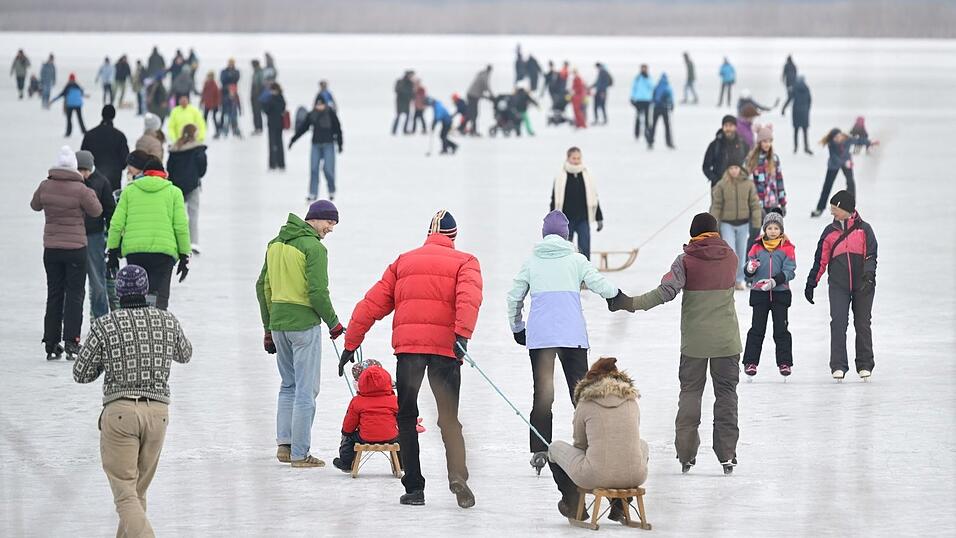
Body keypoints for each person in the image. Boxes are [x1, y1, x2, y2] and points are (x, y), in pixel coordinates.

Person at [339, 210, 483, 508]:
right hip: (445, 350)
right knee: (448, 419)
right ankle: (458, 477)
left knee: (405, 417)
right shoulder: (466, 261)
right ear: (453, 236)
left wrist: (352, 341)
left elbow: (372, 302)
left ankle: (414, 488)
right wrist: (462, 335)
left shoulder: (404, 262)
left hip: (409, 352)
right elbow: (469, 298)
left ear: (428, 234)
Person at [609, 212, 742, 475]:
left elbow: (665, 292)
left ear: (693, 234)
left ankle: (686, 454)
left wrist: (630, 303)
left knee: (690, 395)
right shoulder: (731, 257)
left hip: (694, 343)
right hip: (727, 342)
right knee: (726, 396)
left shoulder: (685, 260)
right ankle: (727, 454)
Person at [73, 264, 192, 538]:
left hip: (120, 412)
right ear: (145, 289)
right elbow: (185, 354)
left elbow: (81, 373)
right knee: (136, 493)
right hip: (158, 413)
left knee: (126, 494)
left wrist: (108, 359)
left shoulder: (105, 325)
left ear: (119, 292)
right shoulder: (166, 320)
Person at [506, 210, 621, 474]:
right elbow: (600, 284)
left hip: (541, 339)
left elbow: (514, 297)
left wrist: (517, 327)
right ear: (566, 235)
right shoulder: (576, 260)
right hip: (572, 337)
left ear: (544, 234)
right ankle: (591, 444)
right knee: (580, 393)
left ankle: (539, 450)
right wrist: (617, 295)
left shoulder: (531, 262)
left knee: (543, 394)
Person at [255, 200, 345, 468]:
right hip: (304, 325)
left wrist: (268, 327)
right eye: (329, 222)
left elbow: (262, 286)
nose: (331, 228)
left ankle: (284, 446)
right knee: (306, 390)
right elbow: (317, 292)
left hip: (279, 324)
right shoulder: (313, 248)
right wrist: (334, 323)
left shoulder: (275, 244)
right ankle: (300, 454)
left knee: (288, 385)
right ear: (314, 218)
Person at [548, 357, 649, 521]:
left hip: (594, 476)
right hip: (634, 476)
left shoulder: (586, 402)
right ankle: (619, 504)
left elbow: (580, 444)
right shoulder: (632, 401)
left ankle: (574, 505)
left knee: (554, 449)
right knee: (642, 444)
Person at [31, 146, 103, 360]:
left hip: (51, 248)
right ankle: (72, 341)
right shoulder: (81, 189)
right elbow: (97, 210)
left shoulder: (45, 185)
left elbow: (35, 205)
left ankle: (51, 342)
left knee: (54, 294)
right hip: (75, 249)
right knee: (75, 295)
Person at [805, 190, 877, 381]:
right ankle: (838, 365)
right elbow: (820, 260)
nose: (831, 212)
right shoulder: (829, 232)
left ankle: (864, 365)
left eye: (834, 208)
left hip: (863, 284)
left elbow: (871, 255)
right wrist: (812, 282)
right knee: (838, 322)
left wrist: (869, 276)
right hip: (838, 286)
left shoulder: (865, 230)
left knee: (862, 323)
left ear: (845, 209)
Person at [107, 154, 190, 310]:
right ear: (163, 174)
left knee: (136, 295)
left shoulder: (129, 191)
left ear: (144, 174)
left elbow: (116, 224)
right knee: (159, 296)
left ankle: (137, 321)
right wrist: (185, 255)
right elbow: (181, 226)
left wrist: (112, 251)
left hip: (135, 252)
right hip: (163, 253)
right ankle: (158, 319)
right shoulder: (174, 192)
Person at [742, 210, 796, 378]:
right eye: (770, 228)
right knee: (757, 329)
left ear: (781, 230)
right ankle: (750, 362)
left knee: (781, 330)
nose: (773, 231)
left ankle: (784, 362)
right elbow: (748, 270)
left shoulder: (787, 248)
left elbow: (790, 271)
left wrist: (774, 281)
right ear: (764, 229)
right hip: (760, 295)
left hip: (780, 295)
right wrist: (750, 269)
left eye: (776, 228)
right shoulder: (756, 247)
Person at [332, 363, 400, 472]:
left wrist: (346, 432)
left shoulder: (357, 401)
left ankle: (346, 463)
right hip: (391, 436)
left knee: (349, 439)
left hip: (365, 437)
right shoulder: (394, 400)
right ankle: (402, 463)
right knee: (403, 439)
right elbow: (401, 418)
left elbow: (350, 422)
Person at [76, 150, 116, 319]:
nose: (82, 174)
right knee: (74, 282)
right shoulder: (72, 182)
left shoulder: (101, 182)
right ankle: (71, 317)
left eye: (85, 170)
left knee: (97, 280)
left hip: (95, 236)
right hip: (75, 235)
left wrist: (112, 235)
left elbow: (110, 209)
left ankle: (101, 317)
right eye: (79, 170)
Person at [710, 163, 761, 290]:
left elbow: (754, 204)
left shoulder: (748, 184)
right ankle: (729, 280)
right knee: (730, 252)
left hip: (743, 224)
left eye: (736, 168)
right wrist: (713, 224)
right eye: (731, 168)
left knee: (741, 253)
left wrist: (756, 223)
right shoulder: (721, 185)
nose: (734, 171)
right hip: (727, 224)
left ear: (740, 169)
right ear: (728, 169)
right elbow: (716, 205)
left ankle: (739, 280)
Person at [811, 128, 878, 217]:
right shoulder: (831, 144)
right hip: (834, 165)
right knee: (827, 186)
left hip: (847, 163)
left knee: (851, 184)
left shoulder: (847, 140)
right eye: (835, 137)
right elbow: (834, 158)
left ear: (842, 135)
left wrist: (870, 142)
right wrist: (845, 162)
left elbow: (858, 141)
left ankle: (850, 208)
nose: (838, 138)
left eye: (839, 136)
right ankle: (819, 208)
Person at [550, 147, 603, 260]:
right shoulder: (560, 176)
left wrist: (599, 218)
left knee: (584, 248)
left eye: (578, 158)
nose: (576, 161)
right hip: (566, 219)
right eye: (574, 158)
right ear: (568, 158)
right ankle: (566, 268)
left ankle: (585, 269)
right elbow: (554, 199)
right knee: (565, 250)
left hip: (583, 219)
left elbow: (594, 197)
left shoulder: (587, 175)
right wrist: (552, 220)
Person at [289, 96, 343, 201]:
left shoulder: (330, 114)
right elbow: (303, 128)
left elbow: (338, 129)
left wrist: (340, 144)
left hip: (328, 144)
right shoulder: (312, 114)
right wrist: (293, 140)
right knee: (314, 169)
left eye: (321, 104)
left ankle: (331, 190)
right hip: (316, 145)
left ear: (325, 104)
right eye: (317, 105)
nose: (319, 107)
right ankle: (312, 193)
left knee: (328, 169)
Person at [166, 124, 207, 254]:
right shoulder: (198, 150)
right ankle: (193, 242)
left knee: (177, 216)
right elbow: (202, 168)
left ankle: (176, 241)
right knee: (193, 214)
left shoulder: (175, 149)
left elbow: (169, 168)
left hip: (176, 186)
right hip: (193, 185)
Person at [81, 105, 130, 193]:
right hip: (114, 179)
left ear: (102, 115)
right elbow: (125, 160)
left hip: (92, 178)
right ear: (114, 116)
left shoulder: (90, 134)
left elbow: (83, 157)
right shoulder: (119, 136)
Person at [745, 125, 787, 215]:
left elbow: (779, 181)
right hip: (757, 203)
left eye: (770, 141)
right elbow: (747, 182)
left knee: (772, 224)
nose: (767, 144)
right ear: (759, 143)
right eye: (764, 141)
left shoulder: (774, 159)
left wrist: (783, 203)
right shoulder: (751, 159)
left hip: (772, 202)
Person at [702, 114, 749, 187]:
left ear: (735, 127)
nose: (728, 128)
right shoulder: (715, 145)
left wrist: (743, 177)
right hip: (719, 187)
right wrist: (715, 179)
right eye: (726, 126)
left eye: (731, 126)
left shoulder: (743, 144)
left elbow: (748, 163)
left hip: (738, 186)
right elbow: (706, 167)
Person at [261, 82, 287, 170]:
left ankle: (274, 164)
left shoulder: (271, 99)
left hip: (273, 124)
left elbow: (266, 110)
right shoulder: (280, 98)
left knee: (274, 144)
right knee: (278, 144)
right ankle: (279, 163)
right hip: (278, 123)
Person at [648, 72, 675, 149]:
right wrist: (672, 106)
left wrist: (653, 103)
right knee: (667, 126)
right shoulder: (667, 87)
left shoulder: (657, 87)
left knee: (654, 125)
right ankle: (669, 142)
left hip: (656, 108)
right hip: (664, 108)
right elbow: (671, 98)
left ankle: (650, 142)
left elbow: (652, 98)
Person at [465, 65, 494, 136]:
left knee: (473, 113)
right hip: (473, 96)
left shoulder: (481, 74)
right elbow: (486, 86)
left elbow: (480, 90)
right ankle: (472, 130)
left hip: (472, 95)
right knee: (474, 113)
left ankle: (472, 129)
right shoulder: (485, 76)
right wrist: (492, 95)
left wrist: (488, 97)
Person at [629, 64, 653, 141]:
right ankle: (637, 133)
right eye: (642, 68)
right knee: (638, 117)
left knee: (647, 118)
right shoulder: (637, 78)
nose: (644, 70)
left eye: (645, 68)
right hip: (639, 100)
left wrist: (652, 98)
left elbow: (652, 87)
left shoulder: (649, 78)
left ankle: (647, 133)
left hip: (647, 100)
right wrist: (632, 97)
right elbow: (634, 88)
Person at [791, 76, 813, 155]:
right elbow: (810, 100)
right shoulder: (807, 88)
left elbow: (790, 98)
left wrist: (783, 108)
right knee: (805, 131)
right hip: (804, 111)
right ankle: (806, 147)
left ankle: (795, 147)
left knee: (796, 131)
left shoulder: (794, 88)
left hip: (796, 111)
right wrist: (807, 108)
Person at [393, 70, 415, 135]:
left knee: (407, 116)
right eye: (410, 75)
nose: (411, 76)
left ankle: (405, 130)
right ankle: (394, 130)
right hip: (400, 101)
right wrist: (407, 94)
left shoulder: (410, 83)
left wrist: (412, 97)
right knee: (398, 115)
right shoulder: (400, 81)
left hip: (407, 102)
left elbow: (412, 93)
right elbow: (397, 90)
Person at [200, 71, 221, 138]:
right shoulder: (206, 84)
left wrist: (217, 104)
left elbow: (217, 96)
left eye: (210, 76)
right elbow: (204, 93)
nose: (209, 78)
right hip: (207, 104)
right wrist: (201, 101)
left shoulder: (215, 85)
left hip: (214, 104)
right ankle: (203, 131)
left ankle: (217, 131)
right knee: (204, 118)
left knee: (214, 118)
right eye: (209, 76)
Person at [250, 59, 265, 135]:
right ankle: (256, 128)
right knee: (255, 113)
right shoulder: (255, 72)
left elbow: (261, 85)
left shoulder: (260, 72)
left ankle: (259, 128)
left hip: (258, 95)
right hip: (254, 95)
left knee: (257, 112)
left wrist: (258, 95)